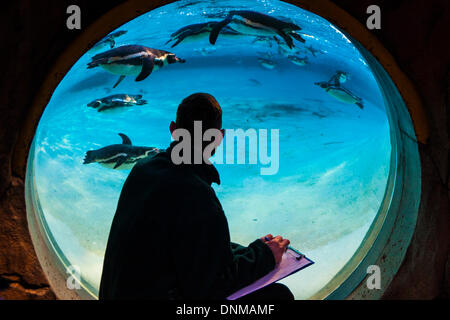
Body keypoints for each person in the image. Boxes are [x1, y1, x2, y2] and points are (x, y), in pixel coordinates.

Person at [99, 93, 294, 300]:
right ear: (219, 137)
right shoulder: (197, 195)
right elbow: (211, 287)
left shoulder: (143, 169)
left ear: (173, 130)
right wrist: (265, 256)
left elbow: (184, 246)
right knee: (278, 296)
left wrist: (251, 251)